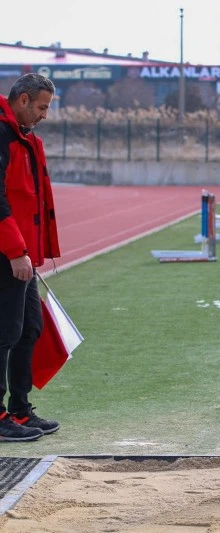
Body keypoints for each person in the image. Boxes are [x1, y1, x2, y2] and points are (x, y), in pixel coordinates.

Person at [1, 73, 62, 442]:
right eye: (42, 107)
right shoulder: (3, 137)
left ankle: (20, 411)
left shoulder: (26, 139)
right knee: (4, 333)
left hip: (23, 254)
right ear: (22, 100)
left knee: (30, 330)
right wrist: (15, 250)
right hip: (7, 254)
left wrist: (34, 252)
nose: (45, 115)